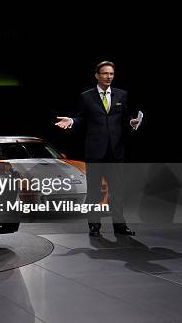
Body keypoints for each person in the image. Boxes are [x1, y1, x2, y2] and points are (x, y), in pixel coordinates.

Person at [55, 61, 140, 237]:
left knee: (117, 191)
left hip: (115, 152)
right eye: (105, 73)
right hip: (95, 152)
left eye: (111, 74)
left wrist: (131, 122)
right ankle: (94, 226)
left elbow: (125, 117)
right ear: (97, 75)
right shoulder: (86, 97)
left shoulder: (121, 95)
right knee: (94, 191)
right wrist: (71, 121)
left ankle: (119, 226)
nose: (109, 77)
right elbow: (81, 118)